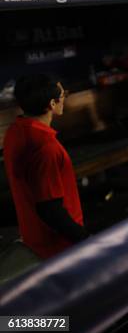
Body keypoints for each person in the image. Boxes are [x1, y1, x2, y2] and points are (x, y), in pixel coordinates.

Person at [3, 75, 89, 260]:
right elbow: (50, 210)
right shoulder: (45, 147)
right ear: (52, 103)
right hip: (60, 247)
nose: (65, 97)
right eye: (63, 94)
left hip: (34, 241)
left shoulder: (14, 132)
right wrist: (85, 240)